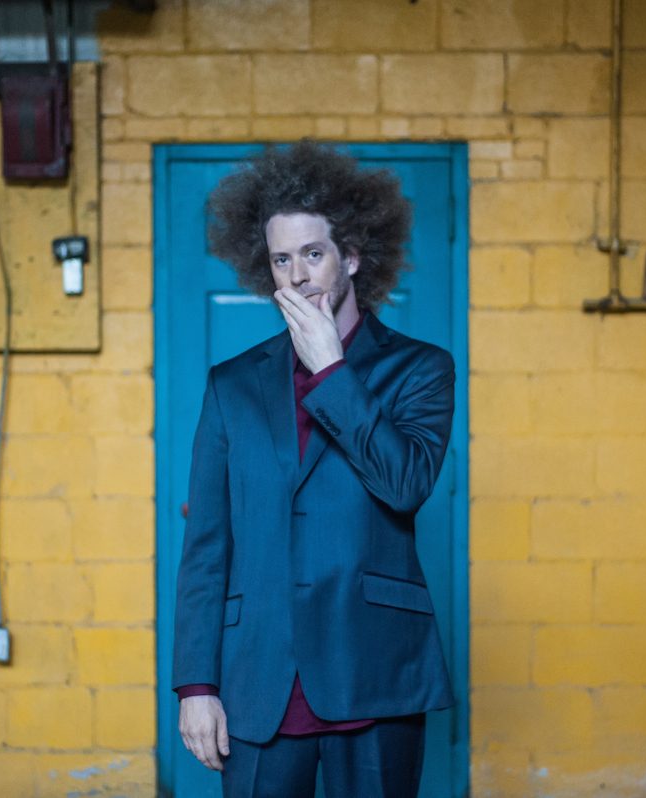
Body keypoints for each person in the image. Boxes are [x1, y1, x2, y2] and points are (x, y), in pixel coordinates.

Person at [172, 140, 456, 798]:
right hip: (257, 683)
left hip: (376, 674)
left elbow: (405, 485)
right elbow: (206, 547)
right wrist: (196, 685)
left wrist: (331, 367)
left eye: (313, 254)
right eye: (282, 259)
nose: (297, 276)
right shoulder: (231, 385)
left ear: (350, 256)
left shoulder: (420, 369)